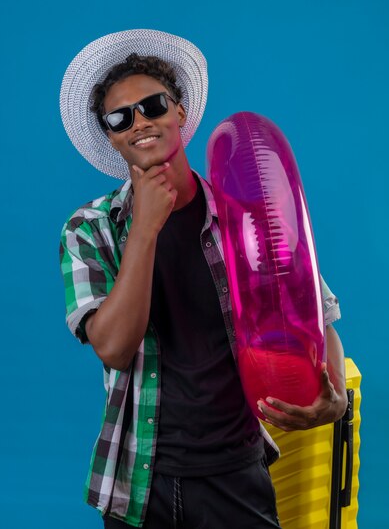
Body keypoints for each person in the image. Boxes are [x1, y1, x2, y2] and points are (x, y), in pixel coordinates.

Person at [59, 29, 348, 529]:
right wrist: (146, 229)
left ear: (180, 113)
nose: (140, 123)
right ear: (110, 136)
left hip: (235, 472)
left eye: (152, 105)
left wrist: (336, 394)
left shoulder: (246, 215)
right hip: (137, 485)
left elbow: (318, 316)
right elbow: (113, 347)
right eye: (119, 117)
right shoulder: (90, 229)